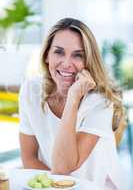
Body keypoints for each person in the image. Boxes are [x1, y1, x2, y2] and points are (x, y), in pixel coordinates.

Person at [19, 18, 127, 190]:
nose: (67, 63)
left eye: (78, 55)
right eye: (59, 52)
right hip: (53, 185)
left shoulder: (100, 101)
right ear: (47, 55)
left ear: (88, 61)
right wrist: (53, 185)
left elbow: (63, 167)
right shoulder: (30, 90)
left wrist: (73, 97)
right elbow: (29, 159)